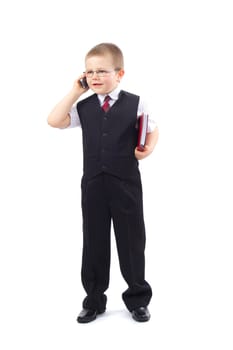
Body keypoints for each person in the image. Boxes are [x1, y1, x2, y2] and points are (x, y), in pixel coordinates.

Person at [47, 43, 159, 323]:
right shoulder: (83, 106)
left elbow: (153, 129)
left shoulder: (136, 101)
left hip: (126, 184)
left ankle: (137, 298)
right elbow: (53, 120)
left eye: (102, 71)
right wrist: (75, 90)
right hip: (94, 185)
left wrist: (148, 148)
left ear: (119, 74)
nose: (95, 76)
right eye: (89, 71)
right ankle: (94, 300)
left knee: (131, 240)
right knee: (94, 240)